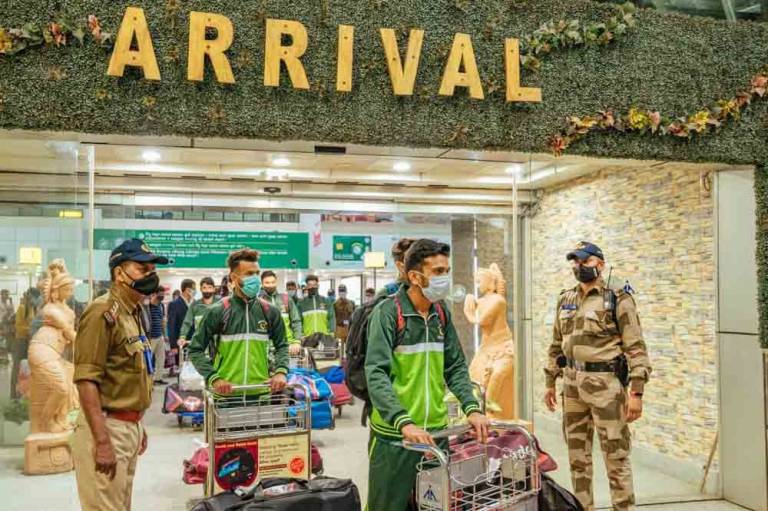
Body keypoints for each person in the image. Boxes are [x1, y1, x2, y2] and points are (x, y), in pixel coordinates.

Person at [365, 239, 489, 511]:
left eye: (446, 270)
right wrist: (403, 422)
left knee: (434, 505)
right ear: (414, 276)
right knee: (386, 506)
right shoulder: (388, 313)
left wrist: (472, 408)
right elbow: (376, 373)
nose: (444, 277)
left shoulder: (441, 313)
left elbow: (455, 366)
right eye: (438, 272)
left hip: (436, 433)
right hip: (395, 438)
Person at [544, 241, 651, 511]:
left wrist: (636, 393)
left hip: (606, 388)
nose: (578, 267)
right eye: (575, 262)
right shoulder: (565, 299)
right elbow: (557, 345)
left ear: (599, 264)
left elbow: (636, 349)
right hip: (571, 387)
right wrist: (549, 381)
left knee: (616, 459)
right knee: (578, 460)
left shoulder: (617, 298)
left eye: (584, 261)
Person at [72, 238, 168, 511]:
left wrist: (137, 423)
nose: (150, 276)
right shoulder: (103, 312)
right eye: (142, 269)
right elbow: (86, 379)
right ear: (119, 273)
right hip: (105, 427)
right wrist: (102, 441)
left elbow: (128, 374)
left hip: (127, 427)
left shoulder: (133, 312)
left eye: (152, 270)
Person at [188, 248, 288, 396]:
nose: (255, 278)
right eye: (249, 274)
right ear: (234, 278)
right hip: (226, 396)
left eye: (256, 273)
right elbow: (195, 350)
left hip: (261, 393)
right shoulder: (217, 311)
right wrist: (214, 378)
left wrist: (281, 372)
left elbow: (282, 345)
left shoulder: (270, 311)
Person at [259, 270, 303, 356]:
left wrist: (297, 341)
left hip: (288, 346)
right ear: (262, 284)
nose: (270, 285)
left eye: (273, 282)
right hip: (266, 347)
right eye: (267, 283)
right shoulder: (258, 302)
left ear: (276, 282)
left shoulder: (286, 299)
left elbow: (296, 321)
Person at [11, 288, 42, 399]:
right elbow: (18, 327)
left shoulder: (32, 309)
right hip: (21, 341)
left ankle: (23, 394)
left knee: (26, 369)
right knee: (17, 366)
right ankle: (14, 395)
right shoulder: (21, 308)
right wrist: (29, 330)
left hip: (29, 341)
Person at [178, 277, 218, 350]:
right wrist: (182, 337)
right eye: (204, 288)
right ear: (201, 289)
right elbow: (187, 322)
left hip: (218, 343)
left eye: (209, 287)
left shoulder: (220, 303)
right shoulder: (195, 305)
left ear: (214, 289)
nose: (207, 290)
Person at [167, 279, 195, 373]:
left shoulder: (194, 303)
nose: (194, 291)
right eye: (193, 289)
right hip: (181, 343)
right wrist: (173, 345)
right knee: (183, 368)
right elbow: (171, 325)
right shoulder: (174, 304)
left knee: (194, 367)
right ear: (187, 290)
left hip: (193, 341)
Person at [144, 291, 167, 385]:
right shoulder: (147, 306)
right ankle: (147, 380)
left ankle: (158, 378)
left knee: (161, 358)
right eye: (159, 294)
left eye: (163, 294)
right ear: (154, 294)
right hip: (151, 337)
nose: (161, 296)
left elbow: (162, 320)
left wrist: (165, 335)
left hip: (160, 335)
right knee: (148, 359)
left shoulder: (161, 306)